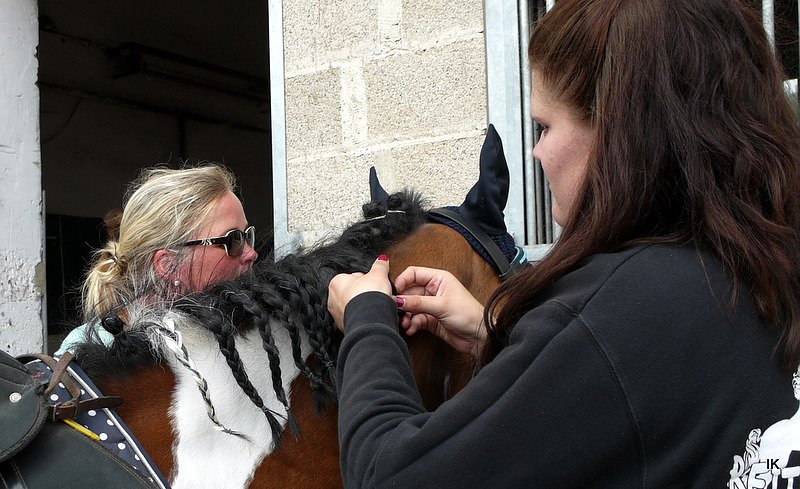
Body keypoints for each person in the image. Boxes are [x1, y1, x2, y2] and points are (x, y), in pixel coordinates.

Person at [327, 0, 800, 487]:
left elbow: (391, 476)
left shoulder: (620, 312)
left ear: (619, 131)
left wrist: (368, 320)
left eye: (545, 127)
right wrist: (494, 334)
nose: (536, 151)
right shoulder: (753, 269)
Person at [56, 164, 258, 356]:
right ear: (168, 265)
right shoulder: (90, 353)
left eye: (247, 235)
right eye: (233, 240)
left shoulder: (249, 334)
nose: (251, 253)